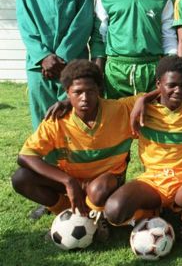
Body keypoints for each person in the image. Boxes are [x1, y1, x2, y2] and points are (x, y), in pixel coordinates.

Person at [11, 60, 133, 241]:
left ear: (98, 90)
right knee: (21, 178)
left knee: (99, 188)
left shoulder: (120, 109)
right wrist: (68, 181)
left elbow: (162, 92)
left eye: (90, 91)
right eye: (78, 92)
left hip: (108, 182)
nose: (85, 97)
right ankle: (68, 215)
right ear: (67, 93)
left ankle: (95, 217)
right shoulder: (57, 119)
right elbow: (25, 156)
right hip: (74, 181)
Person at [104, 56, 182, 245]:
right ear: (159, 84)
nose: (178, 91)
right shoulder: (140, 107)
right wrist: (68, 103)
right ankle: (150, 213)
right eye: (171, 85)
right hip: (152, 180)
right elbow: (103, 107)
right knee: (114, 211)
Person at [16, 0, 94, 130]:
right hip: (38, 65)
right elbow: (24, 18)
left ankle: (73, 165)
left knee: (73, 122)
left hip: (72, 63)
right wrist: (43, 56)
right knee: (43, 124)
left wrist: (61, 58)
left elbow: (84, 19)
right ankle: (44, 163)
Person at [91, 0, 177, 99]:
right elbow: (98, 40)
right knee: (118, 120)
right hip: (116, 72)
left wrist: (169, 73)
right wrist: (97, 75)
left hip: (152, 70)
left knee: (153, 121)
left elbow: (169, 39)